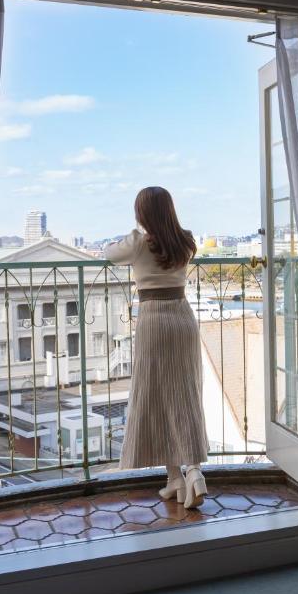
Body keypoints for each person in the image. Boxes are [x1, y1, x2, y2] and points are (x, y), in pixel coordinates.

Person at [104, 187, 209, 509]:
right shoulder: (186, 240)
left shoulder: (138, 242)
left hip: (154, 321)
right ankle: (180, 476)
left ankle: (187, 472)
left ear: (142, 213)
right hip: (183, 317)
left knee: (157, 395)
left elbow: (109, 254)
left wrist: (134, 232)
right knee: (185, 392)